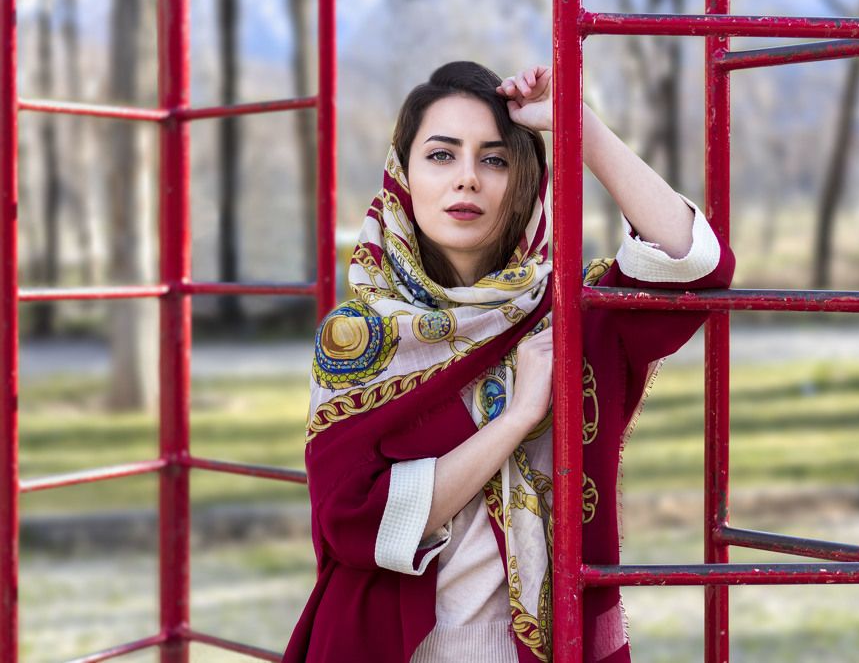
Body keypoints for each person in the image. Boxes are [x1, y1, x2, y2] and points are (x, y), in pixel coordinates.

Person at [282, 60, 735, 663]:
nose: (467, 179)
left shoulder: (569, 315)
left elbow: (693, 264)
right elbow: (356, 519)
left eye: (495, 159)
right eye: (441, 156)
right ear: (402, 177)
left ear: (525, 180)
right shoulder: (358, 337)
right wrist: (517, 418)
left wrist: (579, 123)